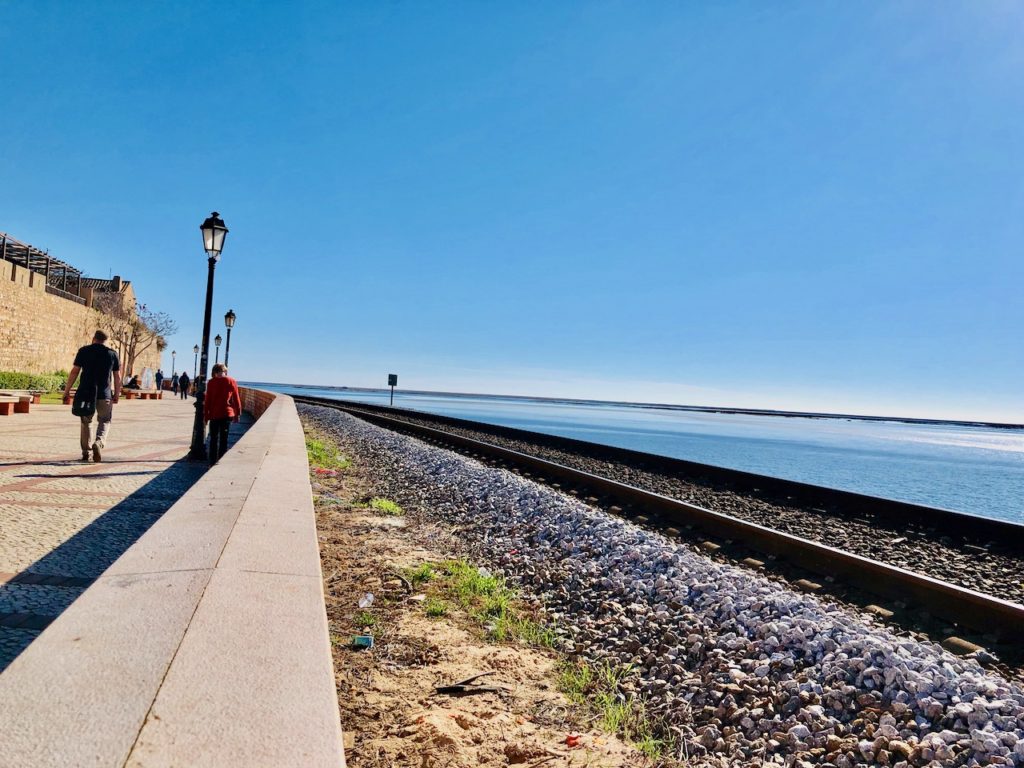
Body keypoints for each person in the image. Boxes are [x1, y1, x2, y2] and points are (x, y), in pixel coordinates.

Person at [63, 329, 121, 462]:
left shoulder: (83, 351)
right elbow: (117, 376)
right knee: (105, 420)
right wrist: (116, 394)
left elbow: (74, 372)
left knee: (86, 422)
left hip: (86, 394)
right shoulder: (112, 354)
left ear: (94, 338)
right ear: (106, 341)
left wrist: (67, 391)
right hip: (104, 394)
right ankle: (99, 443)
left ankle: (86, 452)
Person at [203, 364, 241, 465]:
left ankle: (212, 461)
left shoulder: (211, 382)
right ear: (225, 371)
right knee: (224, 439)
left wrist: (206, 416)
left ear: (214, 372)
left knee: (213, 438)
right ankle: (220, 460)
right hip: (227, 414)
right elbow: (236, 399)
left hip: (214, 415)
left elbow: (208, 401)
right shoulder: (232, 381)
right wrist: (238, 414)